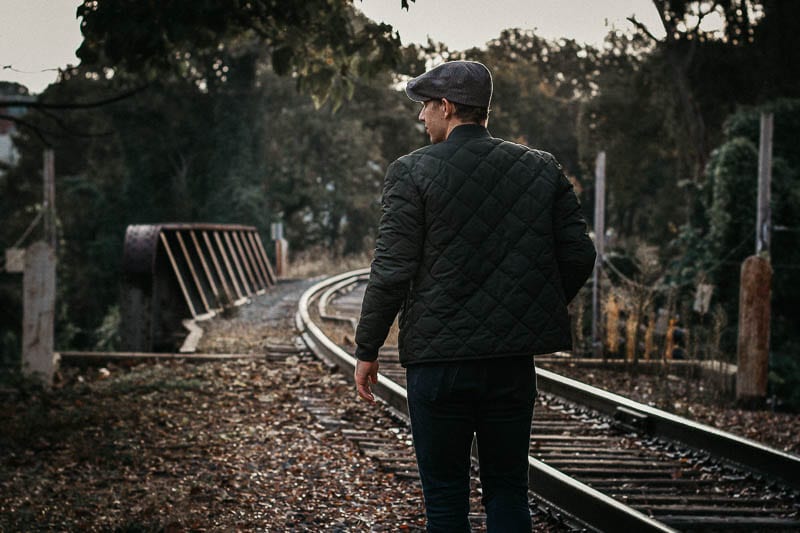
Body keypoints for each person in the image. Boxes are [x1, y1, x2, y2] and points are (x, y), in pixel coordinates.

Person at [353, 60, 597, 532]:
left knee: (445, 500)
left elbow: (391, 270)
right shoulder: (540, 167)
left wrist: (368, 348)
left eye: (425, 106)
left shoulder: (410, 172)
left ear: (446, 107)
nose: (420, 118)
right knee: (508, 492)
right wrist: (530, 306)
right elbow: (579, 255)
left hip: (438, 364)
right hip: (509, 362)